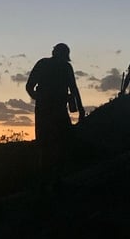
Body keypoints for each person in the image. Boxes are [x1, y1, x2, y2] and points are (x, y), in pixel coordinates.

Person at [25, 43, 85, 184]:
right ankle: (54, 179)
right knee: (61, 142)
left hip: (44, 110)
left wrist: (39, 98)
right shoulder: (65, 67)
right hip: (56, 110)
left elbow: (29, 87)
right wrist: (81, 109)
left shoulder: (43, 64)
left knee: (46, 145)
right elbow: (74, 89)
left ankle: (46, 180)